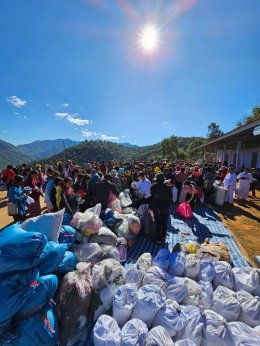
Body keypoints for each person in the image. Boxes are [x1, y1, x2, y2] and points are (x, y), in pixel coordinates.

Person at [150, 173, 172, 243]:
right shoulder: (168, 188)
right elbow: (170, 198)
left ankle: (158, 239)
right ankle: (163, 236)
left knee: (158, 223)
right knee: (164, 223)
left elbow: (152, 197)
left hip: (157, 208)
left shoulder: (153, 188)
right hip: (165, 208)